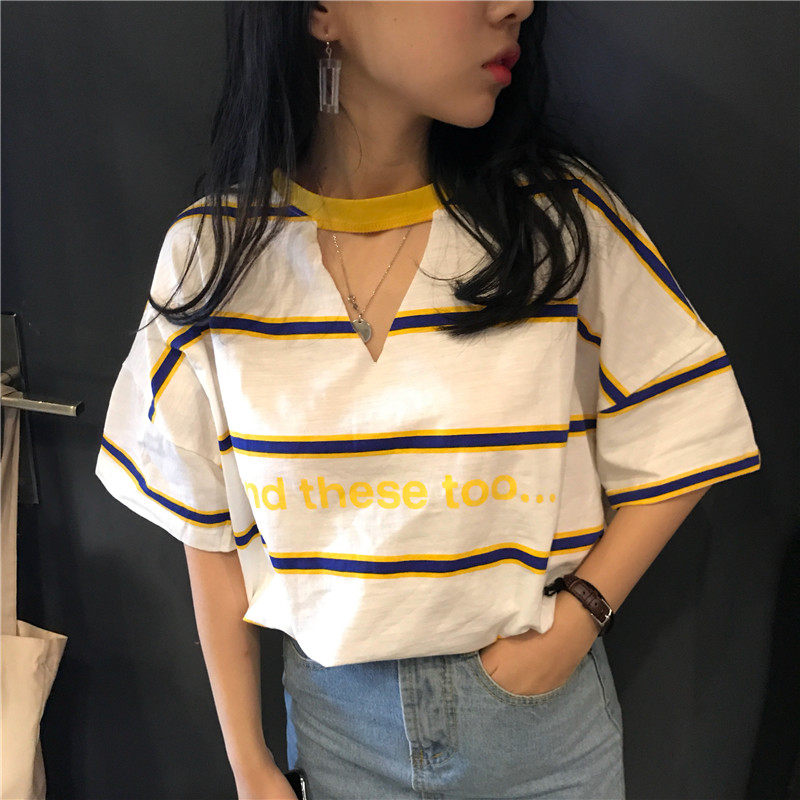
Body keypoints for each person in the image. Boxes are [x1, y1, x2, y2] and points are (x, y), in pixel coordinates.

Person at [95, 2, 762, 799]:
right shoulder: (213, 257)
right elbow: (204, 530)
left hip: (538, 735)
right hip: (338, 738)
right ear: (321, 11)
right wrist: (250, 765)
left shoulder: (554, 224)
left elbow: (690, 424)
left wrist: (576, 621)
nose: (516, 5)